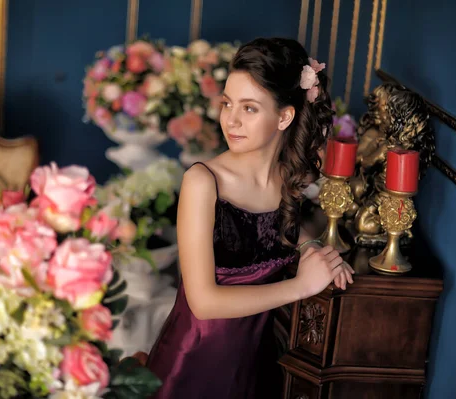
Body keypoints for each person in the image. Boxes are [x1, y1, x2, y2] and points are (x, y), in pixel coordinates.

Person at [145, 37, 355, 399]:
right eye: (227, 103)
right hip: (193, 367)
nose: (231, 120)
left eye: (250, 108)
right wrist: (302, 287)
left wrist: (318, 251)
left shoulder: (285, 180)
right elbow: (204, 302)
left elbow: (280, 230)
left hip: (252, 367)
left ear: (285, 116)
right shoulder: (203, 182)